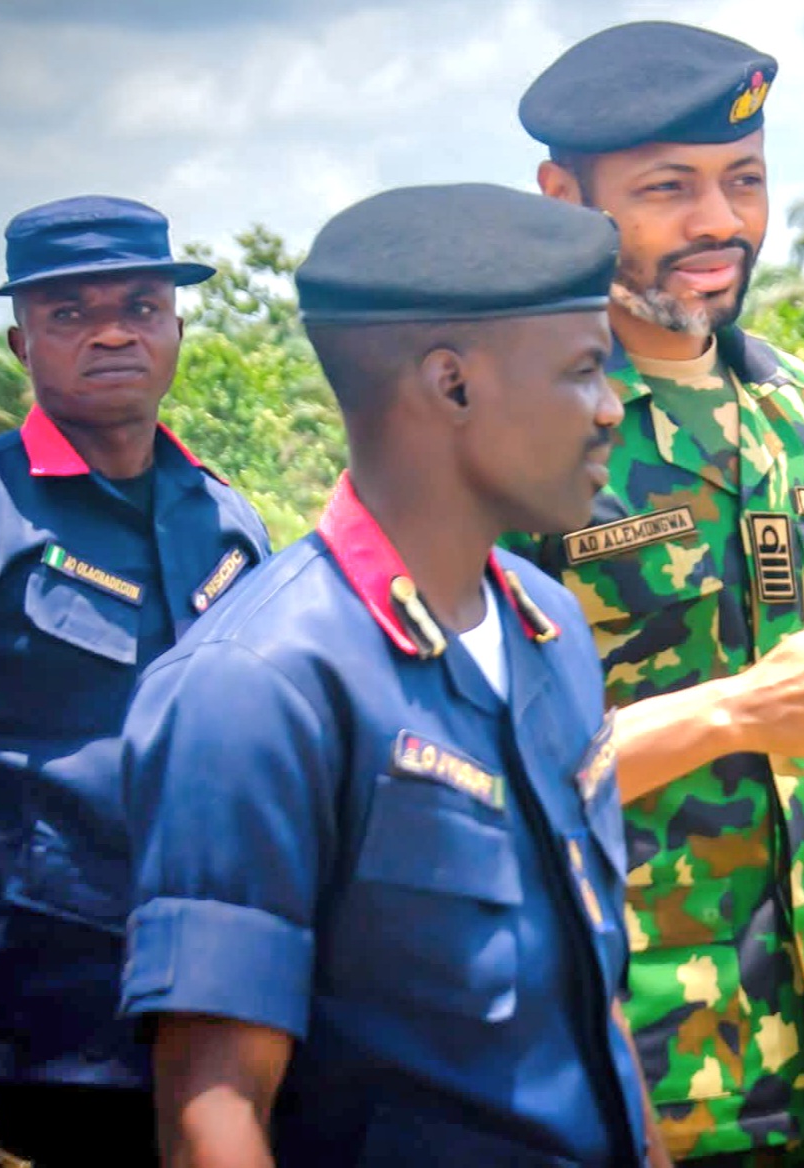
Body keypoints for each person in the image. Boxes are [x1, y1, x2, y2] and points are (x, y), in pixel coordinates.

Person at [510, 22, 804, 1167]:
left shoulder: (795, 405)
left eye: (743, 181)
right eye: (666, 189)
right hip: (644, 1058)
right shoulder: (520, 422)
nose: (719, 223)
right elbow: (468, 763)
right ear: (562, 197)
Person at [119, 184, 670, 1167]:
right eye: (584, 370)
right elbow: (216, 1105)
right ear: (451, 385)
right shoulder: (259, 687)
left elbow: (593, 1010)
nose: (610, 409)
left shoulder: (552, 634)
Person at [0, 196, 269, 1167]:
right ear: (23, 343)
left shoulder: (230, 526)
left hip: (197, 1040)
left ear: (178, 327)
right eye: (70, 312)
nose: (113, 330)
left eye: (141, 304)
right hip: (14, 1060)